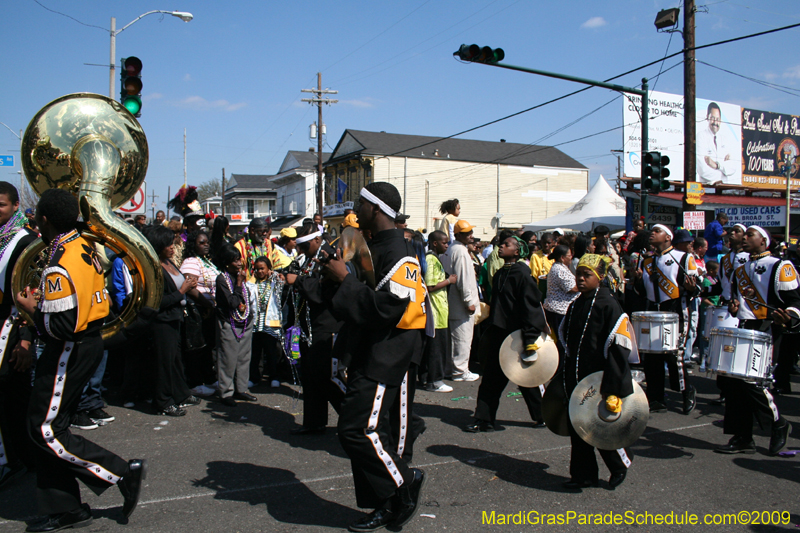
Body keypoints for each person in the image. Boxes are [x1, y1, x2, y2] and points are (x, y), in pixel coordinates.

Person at [16, 189, 146, 530]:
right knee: (46, 425)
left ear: (44, 220)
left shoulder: (62, 259)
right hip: (84, 344)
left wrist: (32, 309)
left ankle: (119, 472)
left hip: (70, 347)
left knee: (43, 429)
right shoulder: (81, 243)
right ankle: (65, 508)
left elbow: (60, 324)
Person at [322, 182, 426, 532]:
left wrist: (345, 283)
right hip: (368, 350)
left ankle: (405, 480)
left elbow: (389, 309)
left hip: (387, 355)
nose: (355, 207)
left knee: (359, 430)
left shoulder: (401, 252)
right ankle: (385, 503)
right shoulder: (373, 245)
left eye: (361, 202)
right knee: (371, 432)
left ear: (376, 209)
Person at [717, 225, 797, 455]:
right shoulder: (739, 269)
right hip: (744, 327)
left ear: (764, 241)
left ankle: (778, 424)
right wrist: (734, 308)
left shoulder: (780, 266)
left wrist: (788, 316)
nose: (744, 237)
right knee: (734, 382)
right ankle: (742, 437)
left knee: (753, 383)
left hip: (768, 329)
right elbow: (738, 303)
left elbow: (794, 302)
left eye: (750, 234)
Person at [559, 254, 635, 491]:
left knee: (602, 425)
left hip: (601, 377)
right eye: (578, 274)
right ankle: (584, 475)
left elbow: (619, 347)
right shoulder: (576, 304)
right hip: (577, 374)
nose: (580, 279)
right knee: (579, 425)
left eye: (586, 275)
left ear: (600, 277)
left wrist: (613, 387)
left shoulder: (608, 304)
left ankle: (619, 465)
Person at [464, 236, 548, 433]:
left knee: (527, 378)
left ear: (517, 252)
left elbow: (531, 306)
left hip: (518, 334)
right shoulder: (501, 273)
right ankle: (484, 419)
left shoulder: (522, 274)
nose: (501, 246)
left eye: (506, 245)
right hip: (498, 333)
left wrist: (529, 337)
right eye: (501, 244)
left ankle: (543, 415)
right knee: (492, 379)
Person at [284, 222, 345, 434]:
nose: (300, 250)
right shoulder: (310, 258)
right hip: (310, 325)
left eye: (305, 245)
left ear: (318, 240)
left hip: (328, 325)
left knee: (326, 375)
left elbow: (324, 290)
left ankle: (352, 417)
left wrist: (298, 281)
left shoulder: (330, 257)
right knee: (310, 376)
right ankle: (314, 422)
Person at [634, 224, 697, 415]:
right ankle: (656, 398)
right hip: (654, 310)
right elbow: (642, 291)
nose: (652, 234)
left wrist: (691, 288)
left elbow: (696, 287)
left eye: (657, 231)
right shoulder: (646, 262)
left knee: (674, 354)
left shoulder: (684, 258)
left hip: (675, 310)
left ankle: (687, 392)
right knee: (652, 356)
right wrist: (637, 280)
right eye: (651, 231)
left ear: (668, 237)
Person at [0, 182, 39, 489]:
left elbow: (31, 295)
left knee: (13, 398)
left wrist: (26, 340)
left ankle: (19, 458)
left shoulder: (25, 242)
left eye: (1, 204)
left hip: (12, 331)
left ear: (15, 206)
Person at [143, 226, 200, 416]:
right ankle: (163, 401)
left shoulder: (169, 262)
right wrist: (182, 290)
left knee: (175, 360)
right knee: (164, 363)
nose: (172, 247)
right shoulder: (153, 268)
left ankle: (181, 394)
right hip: (162, 322)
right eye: (168, 244)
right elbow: (157, 301)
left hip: (175, 318)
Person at [214, 244, 258, 407]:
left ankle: (241, 388)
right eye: (235, 260)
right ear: (227, 263)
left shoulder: (240, 275)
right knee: (228, 357)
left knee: (243, 357)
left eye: (239, 259)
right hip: (229, 321)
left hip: (244, 320)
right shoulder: (222, 279)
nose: (239, 263)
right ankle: (226, 392)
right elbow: (232, 302)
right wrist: (239, 283)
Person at [179, 230, 220, 397]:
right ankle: (195, 382)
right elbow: (190, 287)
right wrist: (208, 304)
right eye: (201, 243)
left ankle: (209, 378)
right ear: (193, 245)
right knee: (196, 347)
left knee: (208, 346)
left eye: (207, 242)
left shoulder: (206, 261)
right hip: (198, 310)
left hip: (209, 311)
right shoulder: (190, 262)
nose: (205, 245)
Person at [440, 219, 480, 381]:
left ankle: (454, 368)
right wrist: (468, 301)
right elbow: (463, 279)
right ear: (458, 235)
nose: (471, 236)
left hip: (454, 302)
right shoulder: (461, 251)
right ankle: (460, 371)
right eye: (467, 233)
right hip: (461, 304)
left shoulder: (452, 249)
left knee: (455, 339)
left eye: (470, 232)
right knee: (462, 339)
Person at [422, 231, 455, 393]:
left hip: (440, 311)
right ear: (435, 243)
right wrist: (449, 281)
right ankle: (434, 381)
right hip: (435, 312)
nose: (447, 246)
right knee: (437, 349)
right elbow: (430, 286)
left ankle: (427, 377)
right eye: (444, 243)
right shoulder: (431, 260)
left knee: (433, 348)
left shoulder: (435, 259)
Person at [251, 256, 286, 388]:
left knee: (271, 352)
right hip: (256, 324)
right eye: (257, 269)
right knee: (255, 353)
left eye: (262, 268)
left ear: (268, 269)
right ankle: (255, 377)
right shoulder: (253, 283)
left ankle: (274, 376)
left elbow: (282, 281)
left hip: (270, 323)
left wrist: (274, 274)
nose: (260, 272)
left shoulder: (274, 283)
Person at [543, 244, 579, 350]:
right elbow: (572, 288)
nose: (571, 257)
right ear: (562, 258)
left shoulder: (561, 267)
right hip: (559, 310)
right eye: (569, 255)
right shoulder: (559, 270)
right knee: (562, 341)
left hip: (559, 309)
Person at [673, 229, 699, 364]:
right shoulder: (682, 257)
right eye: (688, 242)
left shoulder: (689, 257)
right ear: (679, 243)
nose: (691, 244)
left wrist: (693, 288)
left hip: (684, 301)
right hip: (672, 302)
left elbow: (696, 283)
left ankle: (683, 358)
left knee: (686, 331)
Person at [697, 102, 738, 185]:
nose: (715, 122)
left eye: (718, 119)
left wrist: (717, 165)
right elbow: (702, 169)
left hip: (724, 189)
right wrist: (723, 174)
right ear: (707, 118)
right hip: (706, 188)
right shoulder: (701, 136)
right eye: (712, 118)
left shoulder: (725, 140)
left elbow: (733, 167)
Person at [234, 217, 278, 283]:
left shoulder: (270, 244)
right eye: (262, 231)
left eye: (266, 231)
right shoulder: (239, 246)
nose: (265, 234)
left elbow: (277, 264)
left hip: (267, 285)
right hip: (247, 286)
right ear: (252, 230)